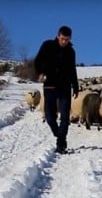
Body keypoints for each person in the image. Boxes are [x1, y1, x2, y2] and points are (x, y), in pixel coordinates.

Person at [34, 25, 79, 154]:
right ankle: (59, 134)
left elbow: (72, 70)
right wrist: (40, 72)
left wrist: (75, 87)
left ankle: (61, 144)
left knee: (65, 117)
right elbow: (38, 60)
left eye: (67, 39)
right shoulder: (48, 45)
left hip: (65, 86)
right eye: (63, 38)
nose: (65, 42)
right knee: (50, 116)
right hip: (50, 85)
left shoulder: (71, 52)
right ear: (58, 36)